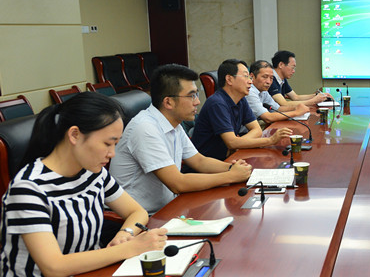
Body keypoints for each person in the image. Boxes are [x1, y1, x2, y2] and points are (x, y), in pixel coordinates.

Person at [0, 92, 168, 277]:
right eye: (107, 143)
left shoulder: (93, 173)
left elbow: (137, 211)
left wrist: (125, 233)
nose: (112, 154)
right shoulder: (29, 188)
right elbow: (53, 267)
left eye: (116, 144)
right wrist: (130, 248)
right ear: (75, 135)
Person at [110, 64, 253, 214]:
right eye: (191, 96)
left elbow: (199, 161)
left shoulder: (173, 123)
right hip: (142, 216)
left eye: (196, 94)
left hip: (170, 207)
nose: (197, 102)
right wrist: (230, 176)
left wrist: (232, 168)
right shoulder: (145, 128)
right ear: (168, 102)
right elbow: (177, 183)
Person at [192, 59, 293, 161]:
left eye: (250, 77)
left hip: (230, 157)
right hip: (208, 164)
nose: (250, 81)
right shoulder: (217, 103)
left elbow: (257, 130)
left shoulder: (241, 100)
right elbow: (232, 142)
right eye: (245, 76)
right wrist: (270, 140)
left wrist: (238, 143)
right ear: (229, 79)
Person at [246, 60, 309, 125]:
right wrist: (296, 112)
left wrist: (295, 107)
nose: (268, 82)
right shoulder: (250, 91)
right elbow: (268, 118)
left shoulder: (263, 91)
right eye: (265, 77)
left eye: (271, 78)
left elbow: (277, 109)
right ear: (252, 76)